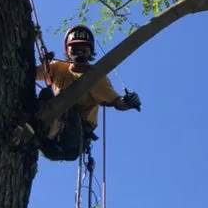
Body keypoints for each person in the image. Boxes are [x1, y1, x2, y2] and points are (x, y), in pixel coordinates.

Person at [35, 25, 141, 161]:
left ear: (90, 51)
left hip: (72, 138)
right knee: (45, 95)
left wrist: (128, 101)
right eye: (74, 47)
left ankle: (47, 127)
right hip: (49, 136)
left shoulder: (96, 78)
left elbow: (117, 102)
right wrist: (34, 42)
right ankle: (35, 128)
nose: (79, 50)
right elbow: (29, 73)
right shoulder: (57, 68)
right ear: (67, 51)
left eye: (84, 47)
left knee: (65, 109)